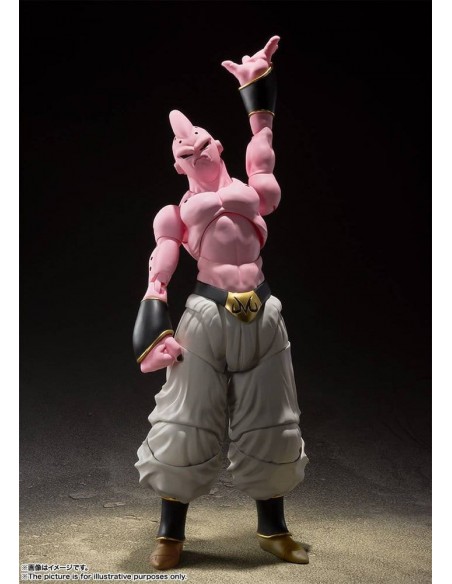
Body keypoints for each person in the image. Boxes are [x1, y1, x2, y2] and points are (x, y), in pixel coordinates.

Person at [133, 36, 309, 570]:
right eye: (184, 152)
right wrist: (153, 337)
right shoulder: (175, 214)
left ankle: (273, 529)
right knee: (184, 420)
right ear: (177, 165)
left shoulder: (257, 187)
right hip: (205, 317)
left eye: (202, 143)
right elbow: (157, 277)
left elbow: (264, 137)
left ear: (219, 145)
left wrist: (256, 85)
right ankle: (170, 533)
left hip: (263, 310)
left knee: (273, 420)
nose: (195, 151)